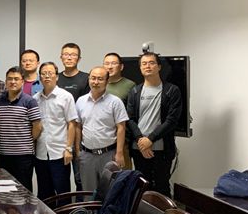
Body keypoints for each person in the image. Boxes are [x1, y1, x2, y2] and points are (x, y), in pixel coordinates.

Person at [127, 52, 182, 197]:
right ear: (140, 68)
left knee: (162, 187)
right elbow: (130, 119)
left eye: (151, 63)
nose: (148, 66)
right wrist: (141, 140)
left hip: (162, 149)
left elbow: (171, 120)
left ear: (159, 67)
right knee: (142, 188)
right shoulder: (135, 91)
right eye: (144, 63)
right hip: (139, 148)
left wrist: (150, 139)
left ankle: (165, 213)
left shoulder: (171, 90)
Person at [75, 66, 128, 192]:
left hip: (109, 155)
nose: (96, 82)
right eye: (93, 78)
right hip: (87, 155)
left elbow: (121, 127)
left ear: (107, 81)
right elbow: (78, 126)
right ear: (89, 79)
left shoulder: (115, 102)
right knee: (88, 193)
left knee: (110, 192)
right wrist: (77, 150)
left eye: (100, 79)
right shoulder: (81, 101)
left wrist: (119, 153)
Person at [33, 62, 78, 201]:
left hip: (60, 153)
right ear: (40, 77)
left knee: (63, 193)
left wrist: (69, 149)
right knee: (44, 194)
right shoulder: (35, 99)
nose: (47, 76)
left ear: (57, 77)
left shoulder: (66, 96)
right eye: (43, 73)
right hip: (41, 153)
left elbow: (72, 123)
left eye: (50, 73)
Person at [0, 66, 42, 192]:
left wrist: (26, 140)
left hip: (24, 155)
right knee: (4, 190)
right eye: (9, 79)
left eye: (16, 79)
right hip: (4, 154)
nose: (13, 82)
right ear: (6, 81)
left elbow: (37, 126)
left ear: (22, 81)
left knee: (23, 190)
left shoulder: (29, 101)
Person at [57, 42, 90, 193]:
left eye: (73, 55)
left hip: (80, 134)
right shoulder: (56, 78)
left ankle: (82, 207)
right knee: (60, 179)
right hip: (59, 135)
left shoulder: (86, 78)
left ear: (79, 58)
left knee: (80, 178)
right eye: (66, 54)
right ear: (61, 57)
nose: (69, 58)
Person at [104, 52, 136, 169]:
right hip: (102, 139)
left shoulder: (130, 85)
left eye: (113, 63)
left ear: (121, 66)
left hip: (122, 141)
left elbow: (132, 114)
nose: (110, 66)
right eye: (106, 63)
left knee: (123, 175)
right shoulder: (98, 84)